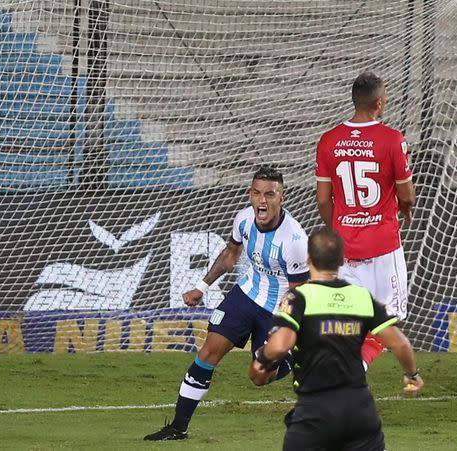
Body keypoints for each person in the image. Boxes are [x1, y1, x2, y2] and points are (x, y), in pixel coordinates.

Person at [144, 166, 310, 441]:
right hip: (245, 296)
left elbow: (299, 293)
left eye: (270, 194)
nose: (262, 200)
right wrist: (201, 287)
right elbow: (231, 254)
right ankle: (178, 427)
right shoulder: (243, 219)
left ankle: (289, 361)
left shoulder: (294, 241)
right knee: (209, 351)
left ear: (282, 198)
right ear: (250, 195)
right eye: (257, 193)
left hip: (276, 310)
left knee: (258, 377)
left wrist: (288, 334)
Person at [250, 227, 424, 450]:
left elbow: (280, 345)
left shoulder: (298, 297)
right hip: (360, 411)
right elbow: (400, 343)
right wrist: (412, 375)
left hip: (315, 411)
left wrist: (261, 358)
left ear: (309, 259)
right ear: (342, 260)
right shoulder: (361, 297)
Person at [315, 70, 417, 370]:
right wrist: (406, 207)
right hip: (384, 246)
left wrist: (338, 231)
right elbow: (407, 196)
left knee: (348, 318)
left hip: (345, 247)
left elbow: (323, 199)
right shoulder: (392, 140)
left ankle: (330, 366)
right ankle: (353, 369)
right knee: (388, 319)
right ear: (380, 103)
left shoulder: (329, 140)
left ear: (354, 101)